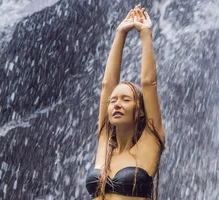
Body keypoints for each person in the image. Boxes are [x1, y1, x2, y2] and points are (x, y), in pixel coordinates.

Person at [85, 4, 165, 200]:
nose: (117, 104)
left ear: (140, 111)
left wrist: (145, 33)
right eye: (113, 101)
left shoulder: (152, 140)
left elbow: (149, 83)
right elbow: (107, 86)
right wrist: (120, 33)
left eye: (126, 99)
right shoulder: (105, 143)